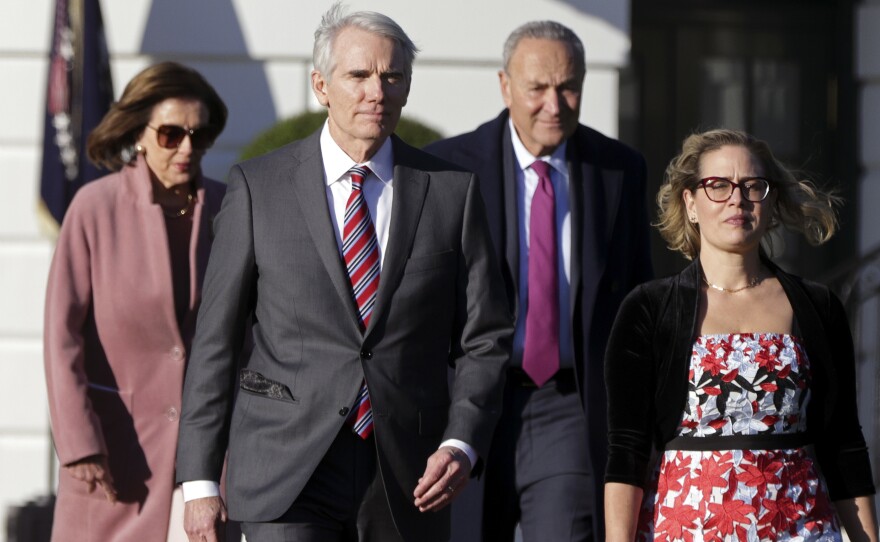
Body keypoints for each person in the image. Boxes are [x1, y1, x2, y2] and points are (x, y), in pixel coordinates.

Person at [174, 5, 512, 542]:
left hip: (407, 474)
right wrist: (198, 481)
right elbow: (216, 340)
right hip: (284, 469)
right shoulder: (258, 188)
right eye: (358, 75)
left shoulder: (451, 192)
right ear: (321, 86)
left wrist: (461, 442)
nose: (376, 91)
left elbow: (485, 337)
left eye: (392, 76)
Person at [425, 21, 651, 541]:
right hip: (467, 404)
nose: (555, 103)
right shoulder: (446, 169)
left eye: (569, 86)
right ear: (505, 86)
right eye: (537, 88)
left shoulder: (618, 170)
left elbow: (638, 302)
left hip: (567, 405)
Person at [604, 129, 878, 542]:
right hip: (687, 530)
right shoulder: (648, 309)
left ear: (771, 204)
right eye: (718, 185)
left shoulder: (817, 307)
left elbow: (844, 444)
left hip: (801, 529)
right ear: (690, 203)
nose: (738, 198)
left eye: (753, 186)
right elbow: (627, 452)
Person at [43, 61, 228, 542]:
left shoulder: (227, 208)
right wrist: (79, 443)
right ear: (139, 134)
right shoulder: (94, 208)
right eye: (170, 134)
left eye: (197, 134)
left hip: (207, 468)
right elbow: (60, 338)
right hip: (115, 457)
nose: (187, 148)